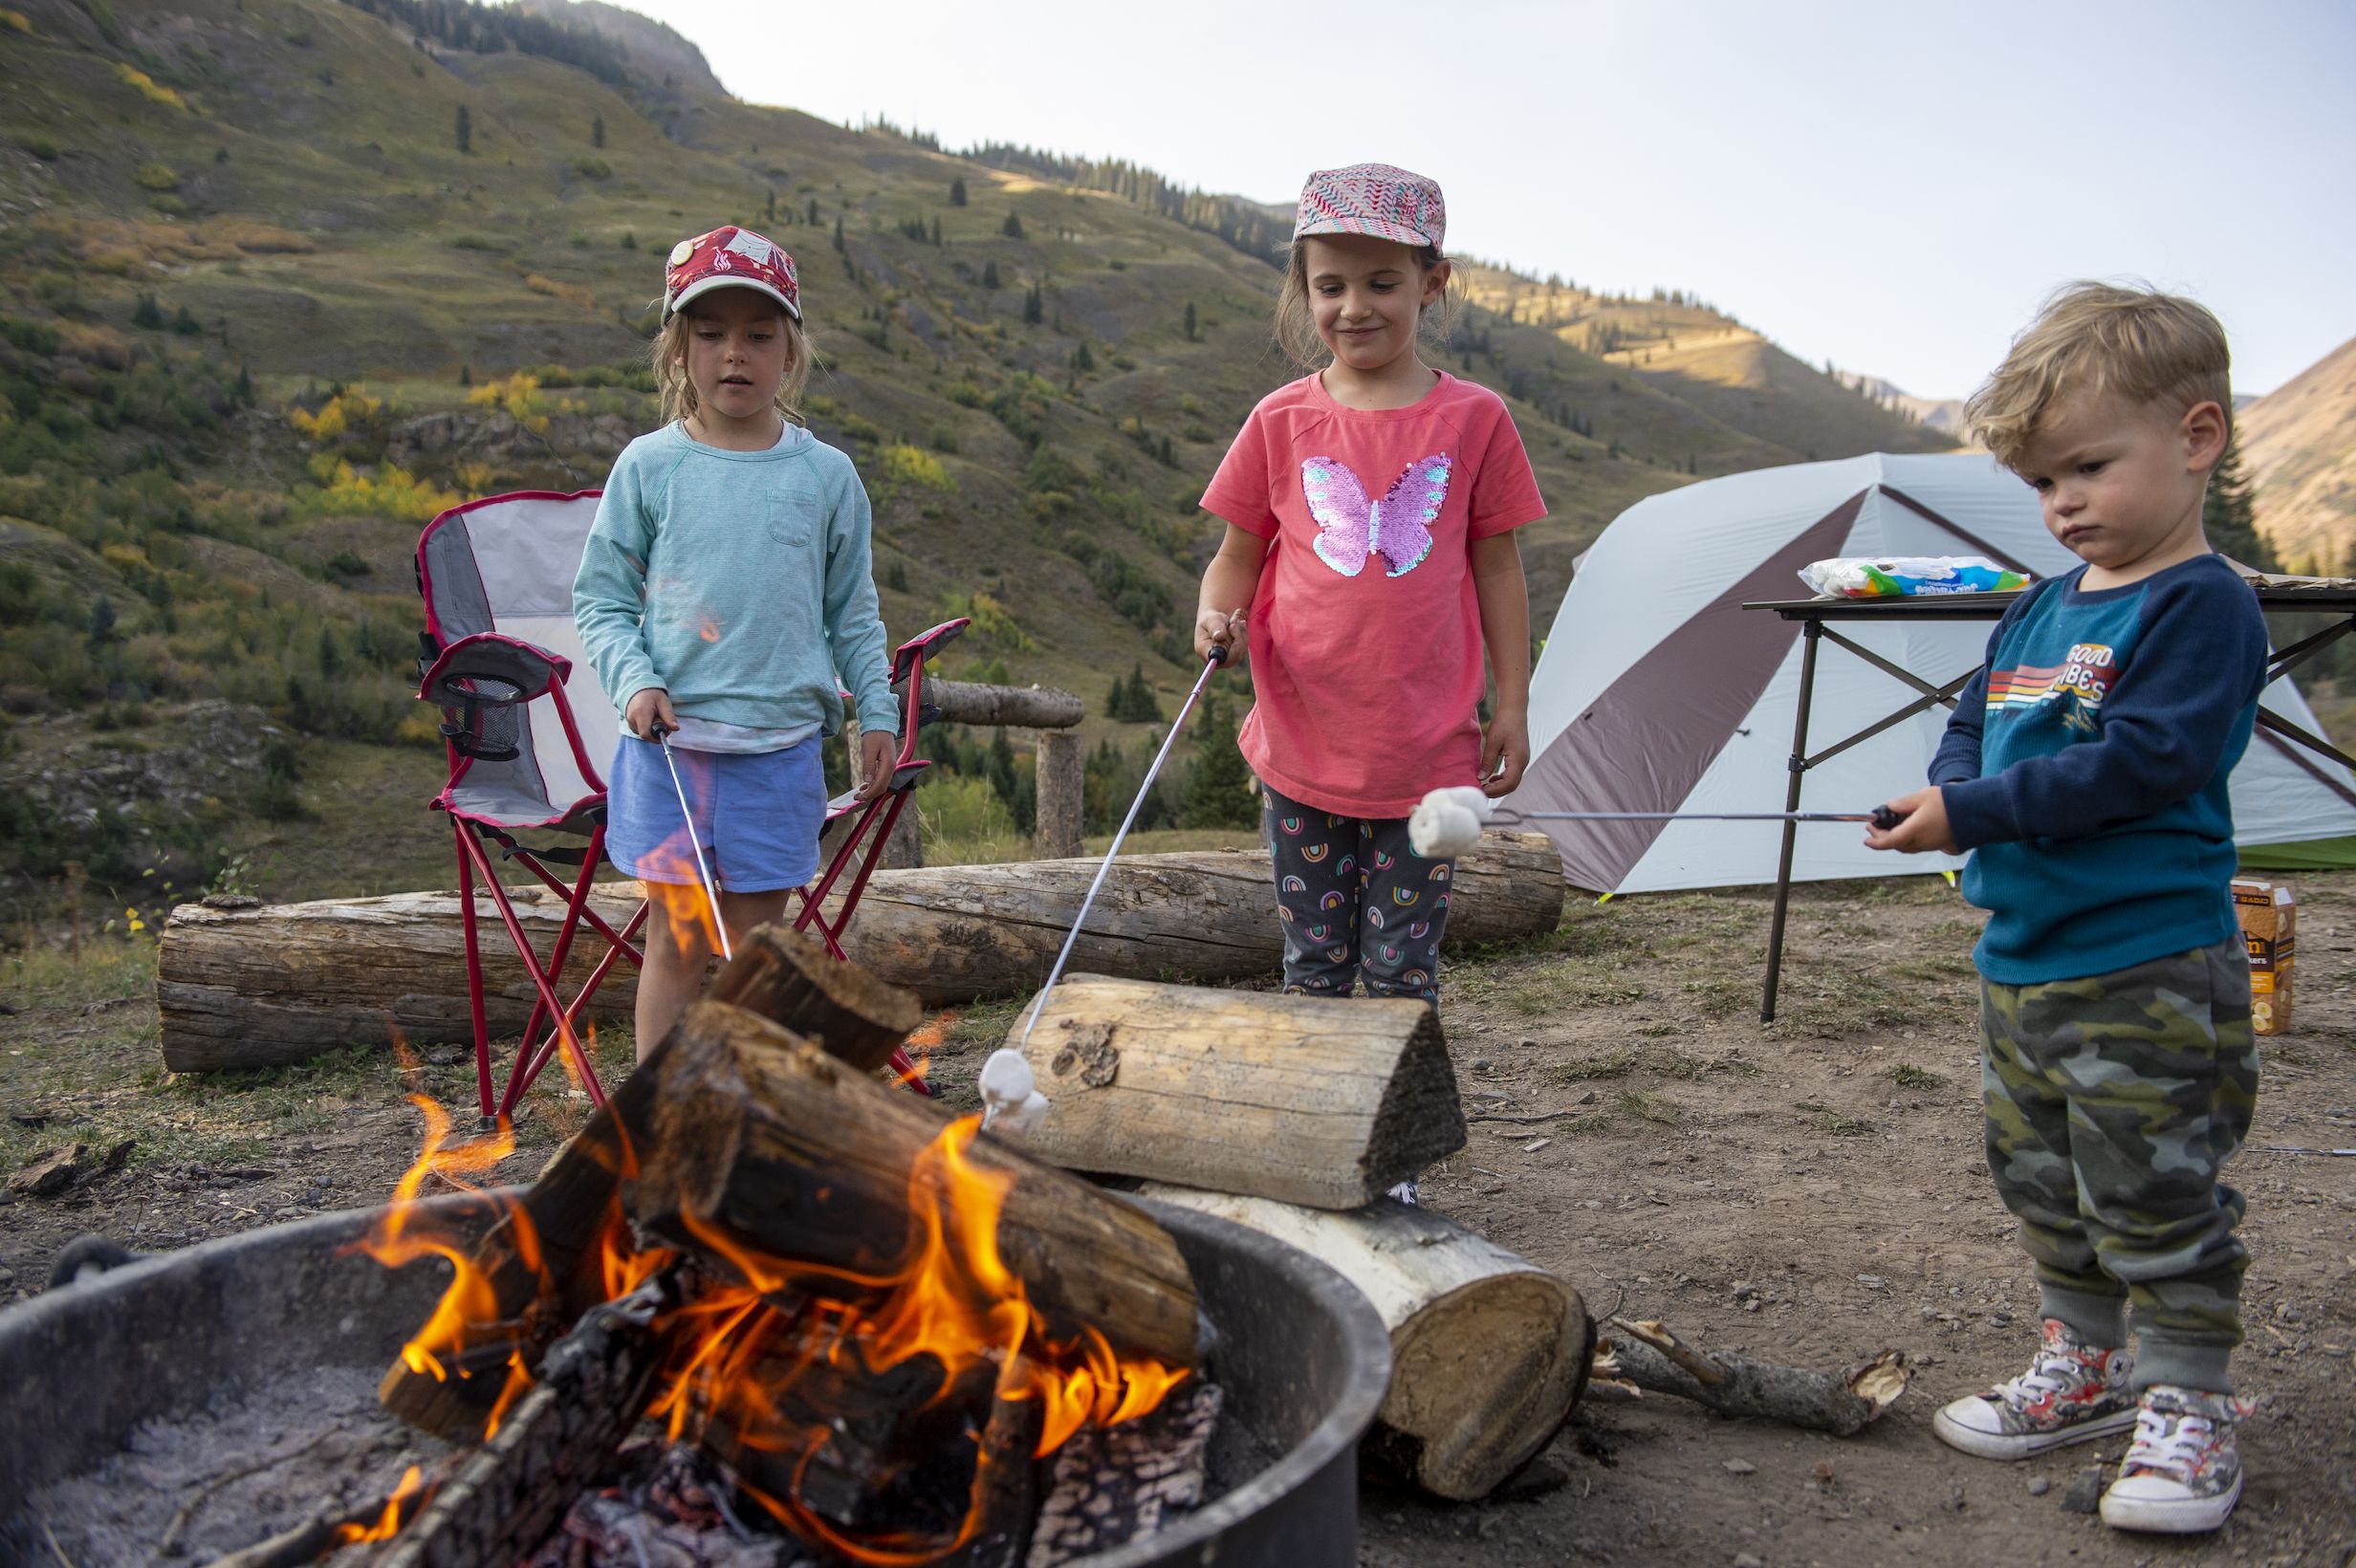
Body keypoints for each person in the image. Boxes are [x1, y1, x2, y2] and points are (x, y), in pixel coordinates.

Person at [1865, 282, 2265, 1535]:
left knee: (2156, 1192)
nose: (2066, 504)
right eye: (2045, 484)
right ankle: (2087, 1366)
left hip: (2146, 963)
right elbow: (1972, 722)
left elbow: (2144, 763)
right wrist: (1944, 796)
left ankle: (2191, 1405)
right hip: (2024, 964)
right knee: (2044, 1179)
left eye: (2089, 467)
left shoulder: (2202, 606)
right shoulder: (2043, 605)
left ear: (2195, 439)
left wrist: (1978, 814)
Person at [1194, 163, 1544, 1009]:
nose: (1355, 306)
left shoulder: (1475, 418)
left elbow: (1498, 568)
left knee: (1401, 973)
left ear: (1432, 284)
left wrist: (1513, 704)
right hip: (1301, 739)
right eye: (1331, 285)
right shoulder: (1281, 418)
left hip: (1426, 751)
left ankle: (1397, 1137)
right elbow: (1238, 555)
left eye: (1382, 282)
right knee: (1313, 970)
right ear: (1304, 292)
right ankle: (1315, 1133)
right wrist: (1214, 616)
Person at [575, 226, 898, 1056]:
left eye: (759, 335)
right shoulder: (649, 467)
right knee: (676, 948)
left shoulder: (825, 477)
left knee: (757, 959)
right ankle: (656, 1123)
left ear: (791, 350)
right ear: (678, 349)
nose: (734, 355)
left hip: (780, 750)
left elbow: (852, 610)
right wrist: (634, 681)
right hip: (667, 755)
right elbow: (603, 601)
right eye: (711, 333)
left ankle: (746, 1123)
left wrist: (877, 715)